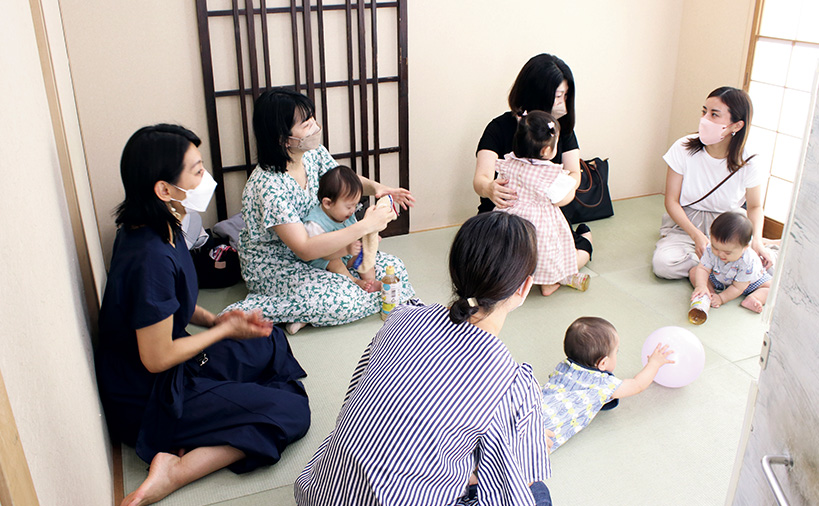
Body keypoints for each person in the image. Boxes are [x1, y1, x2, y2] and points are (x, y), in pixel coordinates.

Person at [95, 125, 311, 506]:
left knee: (270, 340)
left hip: (178, 362)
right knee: (290, 410)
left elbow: (171, 302)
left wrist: (215, 322)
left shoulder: (163, 221)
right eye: (196, 171)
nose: (204, 177)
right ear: (163, 188)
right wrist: (223, 332)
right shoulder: (149, 257)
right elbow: (157, 357)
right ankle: (174, 471)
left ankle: (226, 411)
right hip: (150, 396)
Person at [295, 212, 553, 506]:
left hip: (322, 494)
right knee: (536, 491)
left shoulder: (402, 317)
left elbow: (357, 398)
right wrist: (530, 448)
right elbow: (510, 483)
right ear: (523, 287)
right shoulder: (510, 383)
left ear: (455, 269)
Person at [223, 89, 415, 334]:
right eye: (306, 124)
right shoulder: (268, 185)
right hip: (281, 263)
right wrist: (365, 226)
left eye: (313, 119)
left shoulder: (312, 154)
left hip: (327, 246)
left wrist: (379, 188)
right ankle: (263, 308)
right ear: (283, 138)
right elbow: (303, 249)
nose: (315, 127)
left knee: (395, 271)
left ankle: (307, 312)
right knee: (345, 300)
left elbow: (343, 182)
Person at [474, 53, 593, 271]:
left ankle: (585, 241)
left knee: (560, 259)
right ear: (537, 93)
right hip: (503, 217)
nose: (563, 103)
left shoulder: (561, 129)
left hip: (547, 217)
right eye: (558, 96)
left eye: (566, 96)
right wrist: (489, 188)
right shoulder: (498, 128)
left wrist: (564, 193)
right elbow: (481, 178)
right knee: (488, 265)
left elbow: (574, 173)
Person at [653, 86, 774, 280]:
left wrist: (757, 241)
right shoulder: (683, 148)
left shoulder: (750, 159)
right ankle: (716, 270)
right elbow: (671, 202)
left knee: (770, 268)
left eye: (714, 114)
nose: (705, 119)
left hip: (731, 225)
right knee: (664, 265)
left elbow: (755, 206)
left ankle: (719, 265)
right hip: (687, 222)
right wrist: (696, 236)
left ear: (737, 125)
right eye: (704, 111)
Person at [541, 317, 674, 451]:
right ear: (603, 363)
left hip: (532, 406)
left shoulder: (564, 367)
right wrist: (654, 364)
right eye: (616, 352)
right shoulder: (603, 385)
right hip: (545, 427)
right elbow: (637, 385)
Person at [496, 111, 589, 296]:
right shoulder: (551, 173)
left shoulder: (509, 163)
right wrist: (570, 183)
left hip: (508, 220)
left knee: (511, 251)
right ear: (546, 151)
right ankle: (550, 282)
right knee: (551, 252)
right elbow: (562, 199)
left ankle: (512, 280)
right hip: (539, 225)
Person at [303, 165, 379, 292]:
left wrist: (369, 238)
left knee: (365, 253)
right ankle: (354, 280)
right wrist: (346, 249)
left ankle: (372, 281)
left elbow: (356, 232)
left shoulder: (346, 215)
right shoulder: (315, 224)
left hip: (346, 256)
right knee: (334, 262)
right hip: (325, 259)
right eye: (349, 207)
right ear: (327, 203)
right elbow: (323, 254)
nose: (353, 210)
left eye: (355, 205)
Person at [691, 212, 772, 313]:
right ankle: (708, 293)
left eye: (727, 252)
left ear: (745, 247)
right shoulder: (710, 249)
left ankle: (754, 298)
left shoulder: (747, 260)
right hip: (719, 277)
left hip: (748, 284)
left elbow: (738, 287)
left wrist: (721, 298)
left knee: (772, 288)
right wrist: (701, 285)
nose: (720, 254)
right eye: (715, 248)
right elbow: (703, 268)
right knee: (695, 272)